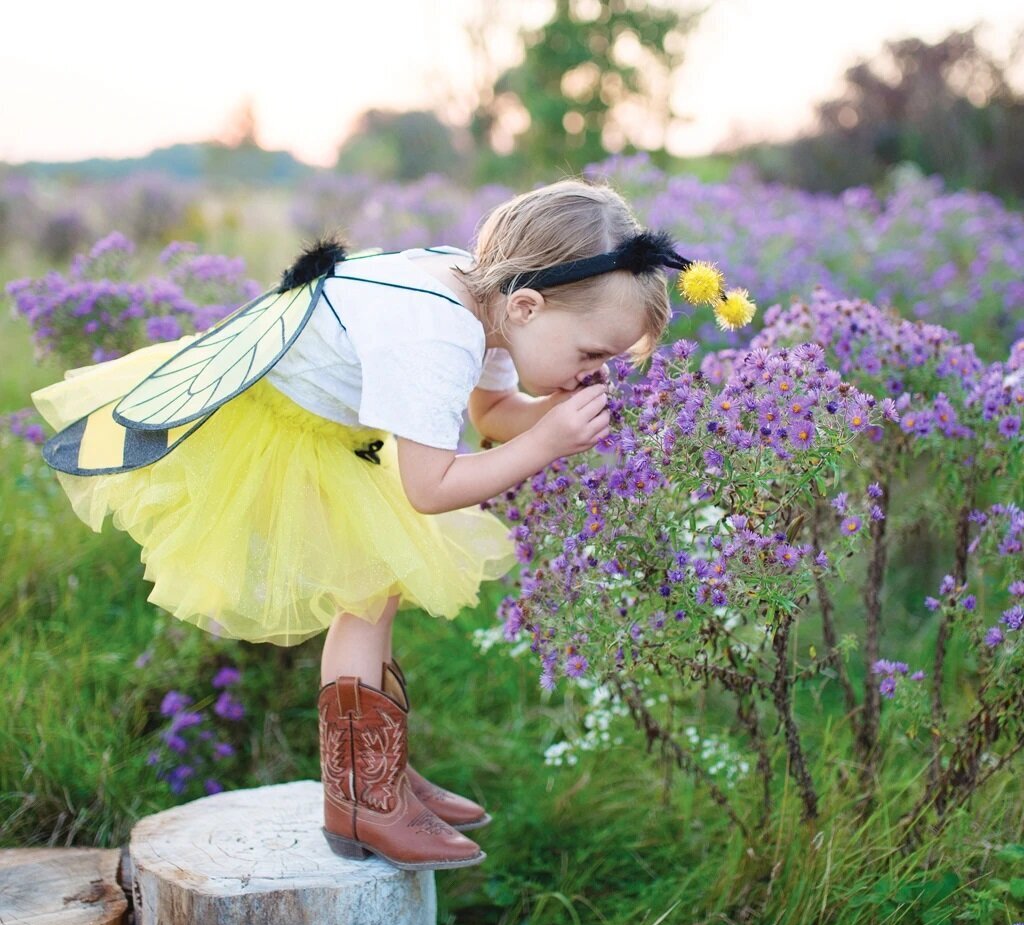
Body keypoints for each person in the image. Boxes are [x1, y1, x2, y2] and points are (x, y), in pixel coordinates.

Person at [29, 176, 753, 872]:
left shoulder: (483, 297)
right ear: (528, 307)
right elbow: (431, 488)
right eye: (590, 354)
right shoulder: (439, 335)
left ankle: (383, 778)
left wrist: (552, 415)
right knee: (369, 592)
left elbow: (492, 415)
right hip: (286, 432)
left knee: (378, 590)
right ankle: (361, 803)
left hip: (334, 427)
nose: (589, 370)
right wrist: (547, 442)